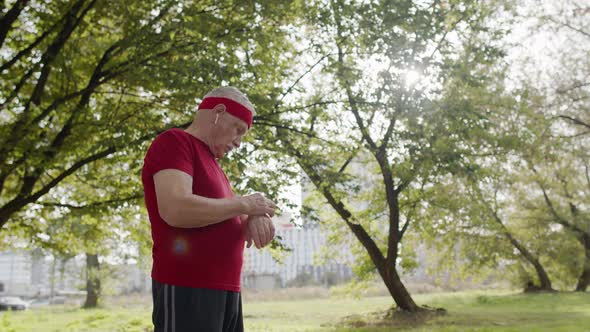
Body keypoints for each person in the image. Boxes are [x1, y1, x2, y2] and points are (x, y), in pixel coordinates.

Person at [141, 86, 276, 332]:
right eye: (238, 130)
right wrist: (245, 204)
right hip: (188, 287)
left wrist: (252, 216)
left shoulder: (215, 167)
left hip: (226, 290)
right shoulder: (175, 142)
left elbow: (225, 213)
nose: (238, 142)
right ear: (219, 112)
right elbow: (176, 208)